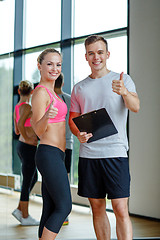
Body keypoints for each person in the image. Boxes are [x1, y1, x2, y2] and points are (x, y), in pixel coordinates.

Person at [69, 35, 140, 240]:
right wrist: (78, 133)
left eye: (100, 52)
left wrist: (125, 92)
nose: (96, 57)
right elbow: (73, 119)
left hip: (116, 152)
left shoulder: (122, 80)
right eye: (91, 53)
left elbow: (135, 107)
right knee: (97, 207)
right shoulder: (79, 87)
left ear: (107, 54)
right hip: (89, 155)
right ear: (86, 57)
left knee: (120, 207)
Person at [31, 48, 72, 240]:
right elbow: (38, 131)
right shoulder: (40, 93)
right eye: (49, 64)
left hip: (57, 154)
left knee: (50, 207)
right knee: (65, 206)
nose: (55, 68)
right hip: (48, 153)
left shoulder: (52, 93)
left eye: (58, 64)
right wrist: (46, 116)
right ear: (40, 66)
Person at [12, 80, 39, 226]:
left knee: (33, 178)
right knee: (28, 180)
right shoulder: (27, 107)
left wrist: (24, 135)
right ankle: (25, 216)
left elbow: (16, 129)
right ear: (32, 92)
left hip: (22, 146)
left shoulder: (18, 106)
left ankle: (19, 209)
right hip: (28, 147)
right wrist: (29, 137)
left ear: (19, 92)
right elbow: (21, 125)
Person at [54, 73, 73, 226]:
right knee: (64, 179)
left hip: (54, 145)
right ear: (63, 82)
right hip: (69, 145)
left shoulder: (50, 99)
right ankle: (64, 215)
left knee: (53, 180)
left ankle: (57, 213)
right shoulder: (69, 99)